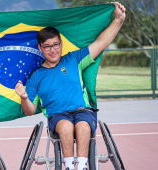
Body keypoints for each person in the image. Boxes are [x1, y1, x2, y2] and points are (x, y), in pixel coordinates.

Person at [15, 2, 125, 170]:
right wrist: (23, 98)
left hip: (83, 111)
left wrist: (118, 20)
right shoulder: (36, 76)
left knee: (82, 125)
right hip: (58, 115)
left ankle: (80, 166)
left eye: (55, 45)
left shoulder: (73, 59)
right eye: (47, 46)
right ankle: (68, 166)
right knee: (66, 126)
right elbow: (29, 110)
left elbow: (101, 43)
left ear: (61, 44)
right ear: (40, 48)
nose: (52, 50)